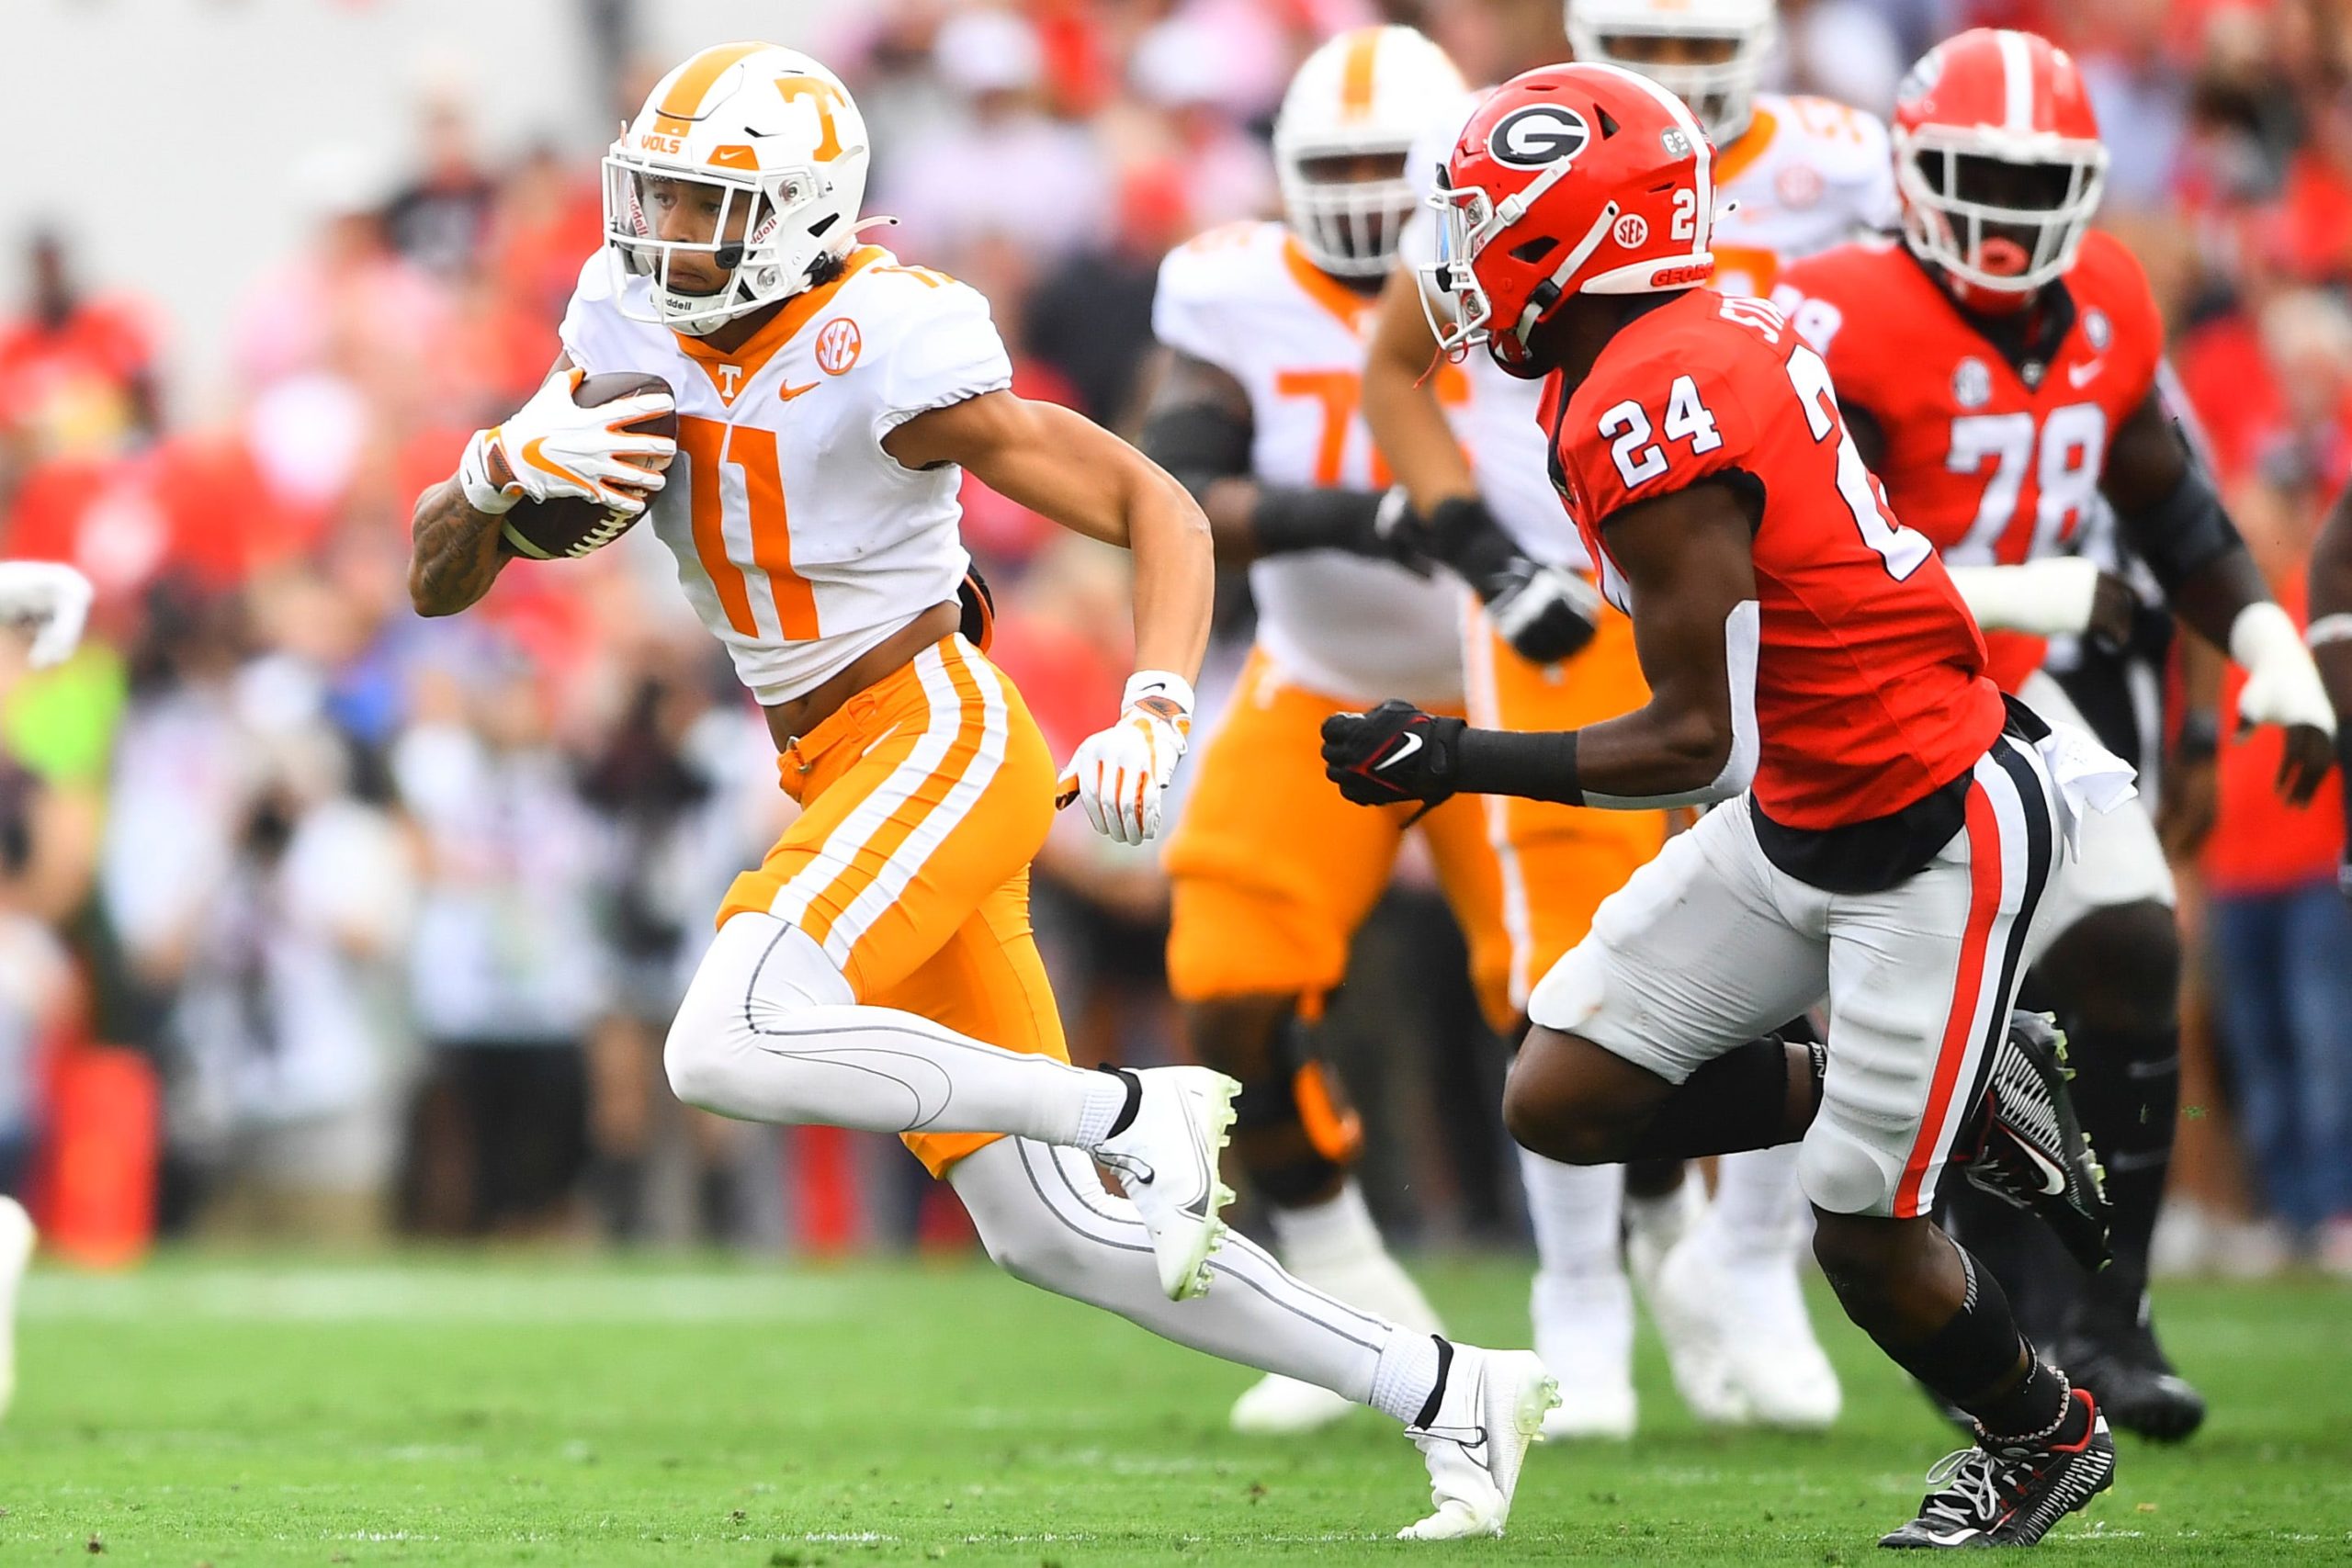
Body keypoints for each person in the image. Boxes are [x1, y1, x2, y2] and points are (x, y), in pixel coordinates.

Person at [405, 43, 1553, 1539]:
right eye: (659, 199)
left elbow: (1158, 501)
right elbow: (440, 580)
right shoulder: (622, 316)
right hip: (825, 753)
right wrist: (493, 474)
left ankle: (1129, 1105)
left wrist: (1154, 700)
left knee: (724, 1041)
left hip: (936, 730)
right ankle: (1451, 1387)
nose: (667, 239)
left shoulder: (886, 337)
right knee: (1056, 1236)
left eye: (707, 208)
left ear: (810, 215)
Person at [1322, 61, 2128, 1548]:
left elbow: (1692, 742)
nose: (1455, 262)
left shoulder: (1646, 395)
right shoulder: (1664, 342)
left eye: (1485, 225)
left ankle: (2040, 1434)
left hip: (1928, 823)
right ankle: (1964, 1100)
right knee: (1558, 1098)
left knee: (1866, 1241)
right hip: (1807, 799)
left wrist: (1449, 753)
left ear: (1574, 239)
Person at [1771, 26, 2338, 1440]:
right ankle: (1969, 1316)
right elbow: (1797, 559)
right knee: (1924, 1032)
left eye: (2039, 184)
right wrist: (2019, 583)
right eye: (1978, 176)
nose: (2009, 215)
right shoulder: (1834, 308)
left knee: (2138, 940)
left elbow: (2166, 498)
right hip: (1850, 705)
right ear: (1912, 171)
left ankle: (2114, 1315)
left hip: (2015, 696)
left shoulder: (2108, 298)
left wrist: (2263, 638)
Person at [1358, 0, 1888, 1435]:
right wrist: (1488, 555)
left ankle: (1754, 1260)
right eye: (1634, 43)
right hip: (1566, 596)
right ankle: (1580, 1294)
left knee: (1810, 919)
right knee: (1561, 956)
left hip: (1764, 596)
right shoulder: (1530, 159)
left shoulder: (1843, 166)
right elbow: (1395, 356)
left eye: (1691, 46)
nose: (1662, 77)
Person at [1143, 24, 1582, 1437]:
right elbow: (1186, 488)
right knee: (1225, 987)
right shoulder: (1230, 284)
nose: (1356, 196)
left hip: (1521, 678)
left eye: (1383, 169)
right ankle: (1346, 1278)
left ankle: (1688, 1268)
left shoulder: (1535, 266)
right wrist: (1372, 520)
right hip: (1323, 675)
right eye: (1327, 169)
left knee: (1592, 1013)